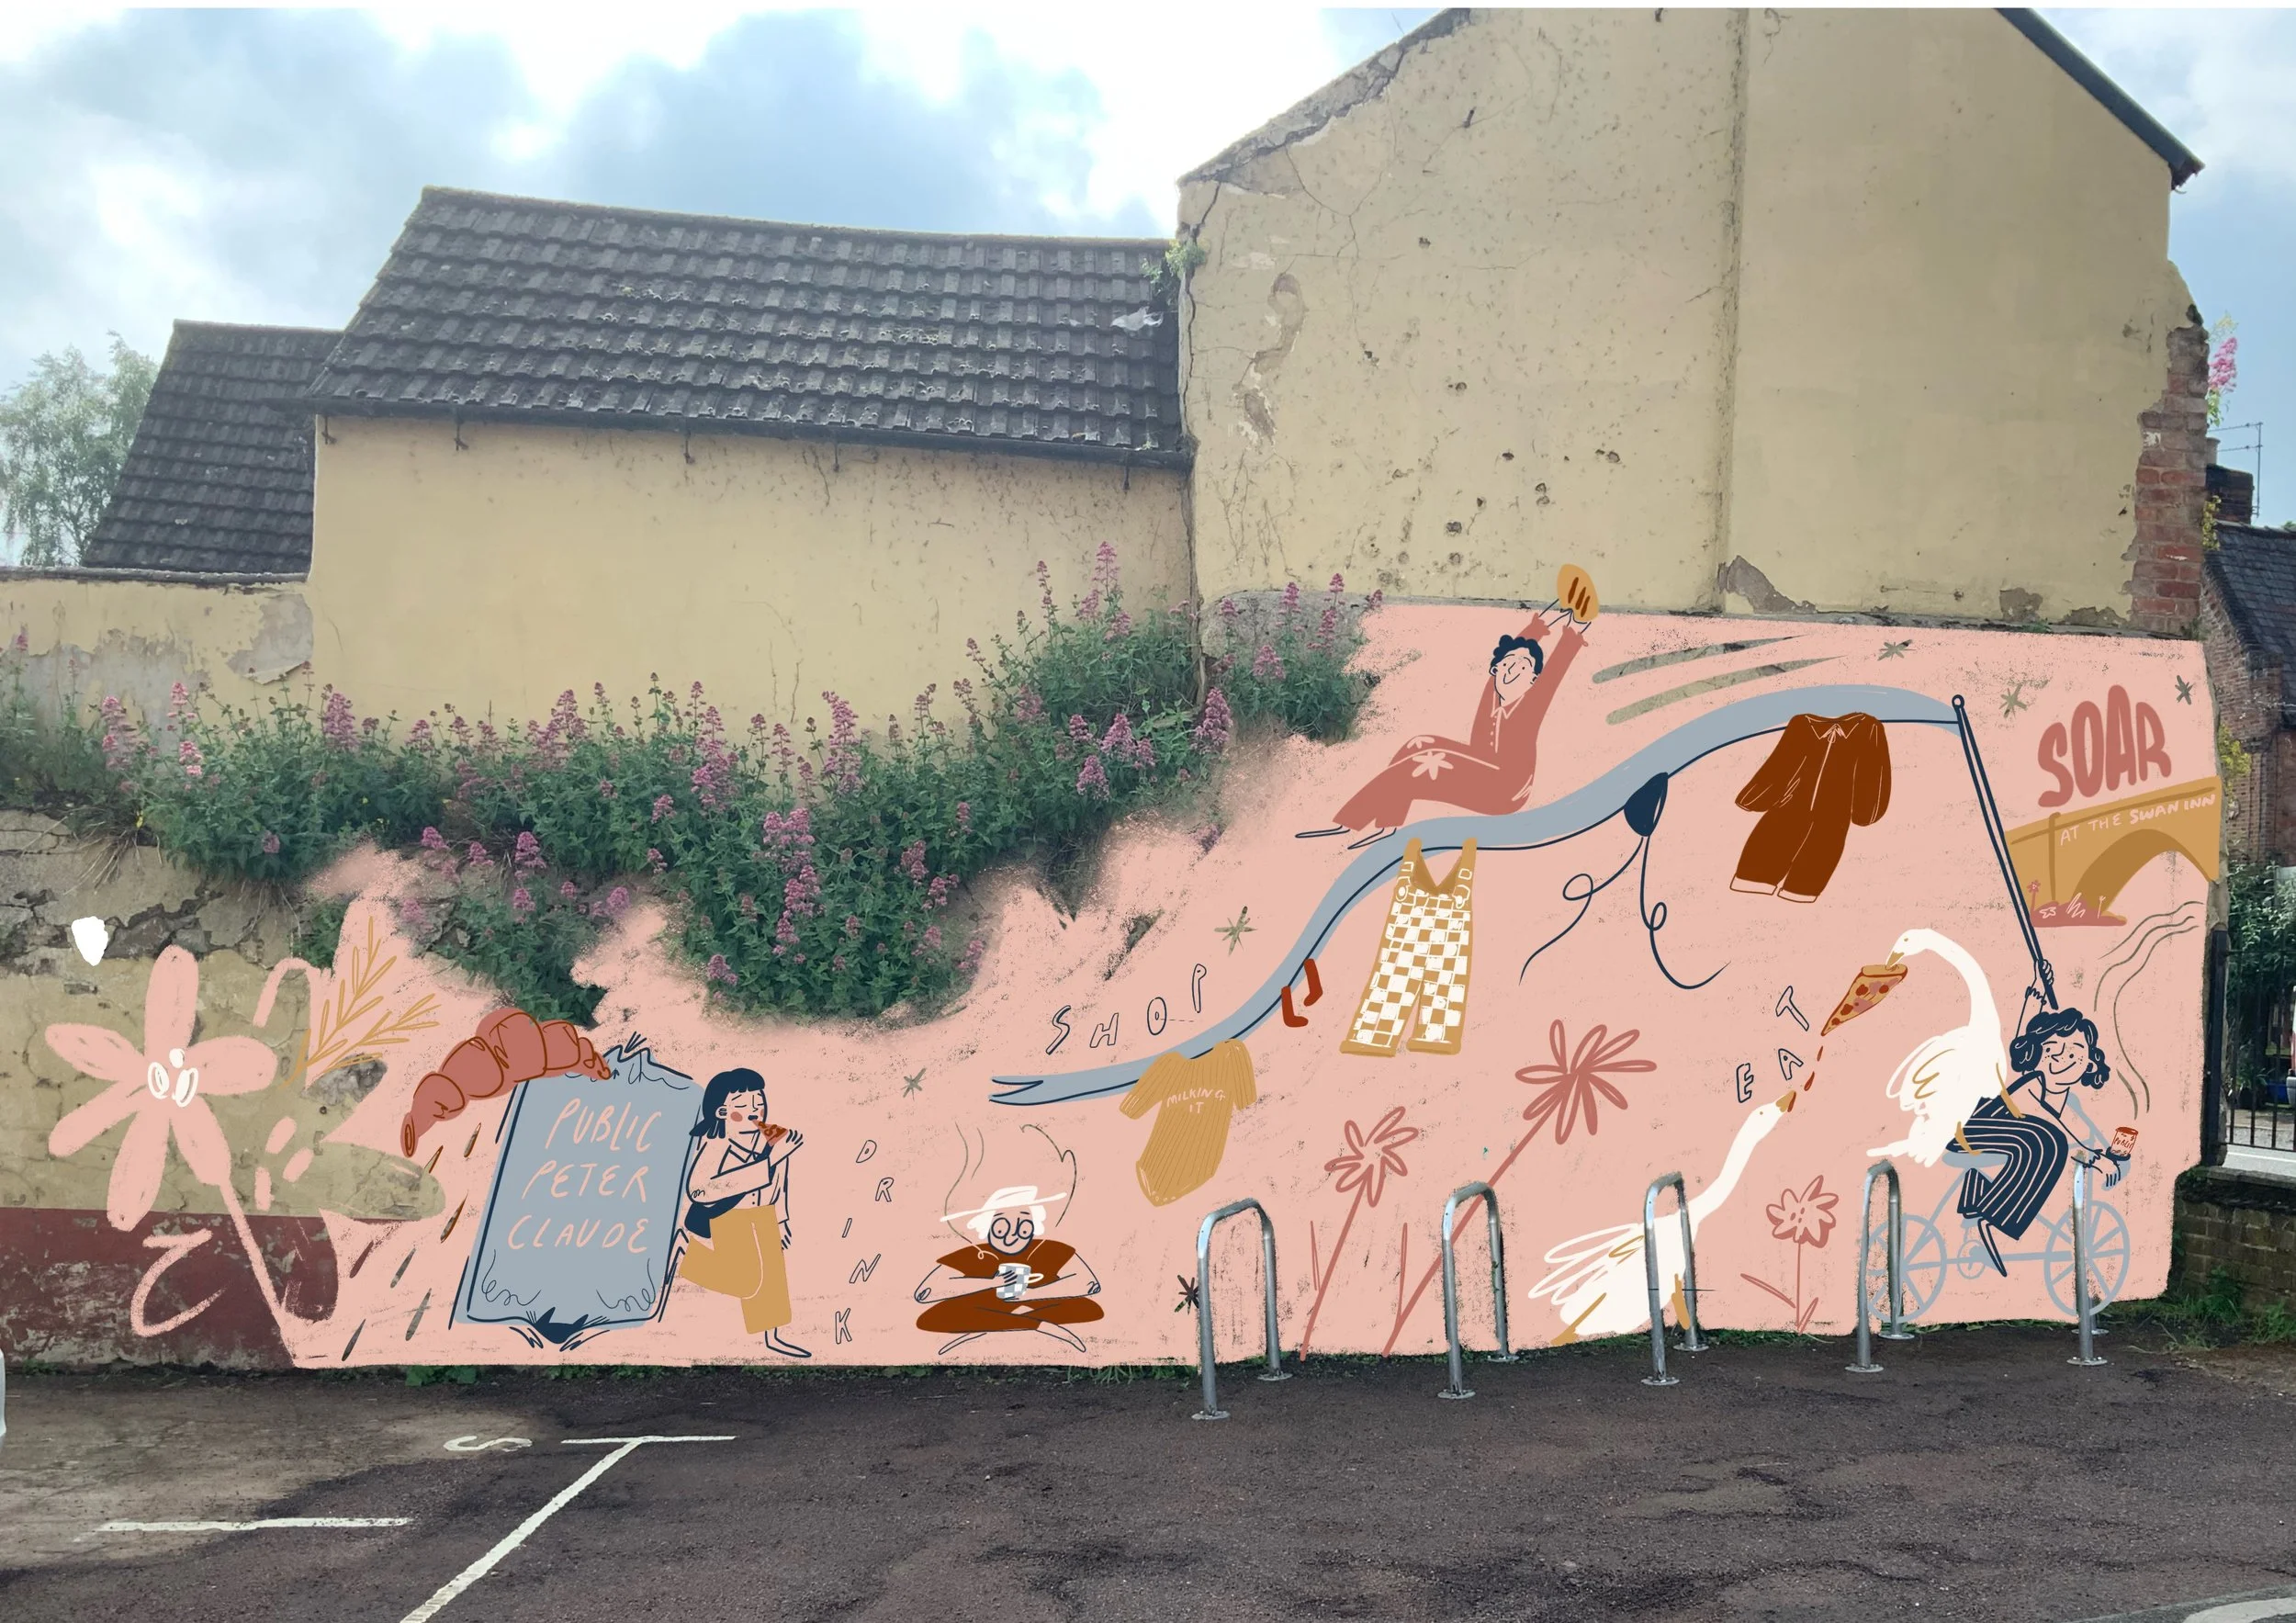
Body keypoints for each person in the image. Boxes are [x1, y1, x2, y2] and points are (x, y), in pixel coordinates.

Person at [1300, 569, 1598, 847]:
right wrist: (1540, 625)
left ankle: (1350, 823)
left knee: (1419, 766)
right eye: (1508, 663)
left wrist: (1575, 628)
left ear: (1533, 679)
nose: (1513, 669)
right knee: (1417, 745)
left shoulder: (1530, 705)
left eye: (1524, 667)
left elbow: (1555, 671)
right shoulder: (1494, 691)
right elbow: (1522, 640)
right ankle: (1385, 824)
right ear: (1496, 669)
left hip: (1505, 789)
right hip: (1483, 763)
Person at [1954, 1005, 2126, 1277]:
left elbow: (2079, 1130)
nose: (2062, 1056)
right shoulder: (2032, 1084)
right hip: (1970, 1130)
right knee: (2045, 1141)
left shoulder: (2067, 1099)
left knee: (2047, 1139)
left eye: (2075, 1050)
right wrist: (2092, 1158)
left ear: (2091, 1063)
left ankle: (1977, 1194)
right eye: (2051, 1048)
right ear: (2034, 1054)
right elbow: (2052, 1125)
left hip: (2007, 1137)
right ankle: (1993, 1220)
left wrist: (2105, 1152)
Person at [675, 1067, 810, 1358]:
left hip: (764, 1213)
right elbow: (698, 1190)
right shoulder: (718, 1143)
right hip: (732, 1215)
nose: (755, 1109)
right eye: (743, 1104)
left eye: (758, 1101)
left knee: (771, 1283)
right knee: (746, 1281)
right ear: (722, 1112)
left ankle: (772, 1338)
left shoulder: (772, 1140)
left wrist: (781, 1220)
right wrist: (769, 1162)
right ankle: (684, 1253)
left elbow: (780, 1185)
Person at [913, 1184, 1102, 1356]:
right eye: (1002, 1228)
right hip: (986, 1307)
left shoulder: (1050, 1248)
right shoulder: (974, 1253)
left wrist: (1033, 1294)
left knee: (1087, 1308)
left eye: (1023, 1228)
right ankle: (1036, 1325)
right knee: (937, 1316)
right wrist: (991, 1283)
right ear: (987, 1225)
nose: (1012, 1236)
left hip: (1039, 1304)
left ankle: (993, 1324)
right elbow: (925, 1293)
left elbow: (1090, 1284)